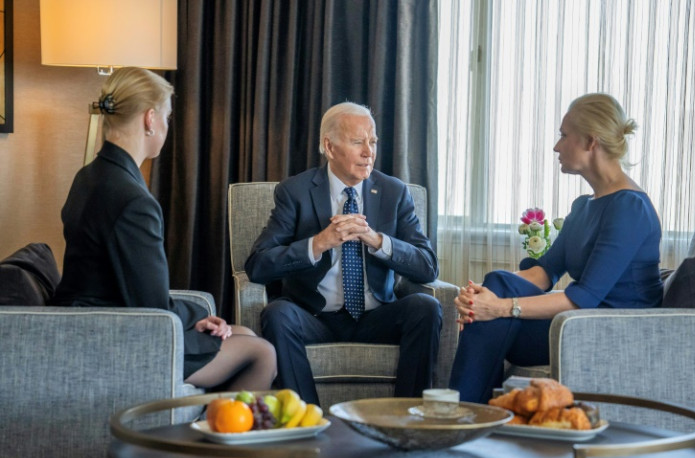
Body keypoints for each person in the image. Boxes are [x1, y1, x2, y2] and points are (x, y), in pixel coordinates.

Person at [51, 67, 276, 392]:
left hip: (94, 324)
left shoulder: (89, 176)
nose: (167, 127)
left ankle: (214, 433)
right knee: (261, 353)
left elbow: (134, 291)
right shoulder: (132, 200)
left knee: (245, 335)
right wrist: (197, 313)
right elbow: (154, 310)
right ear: (150, 119)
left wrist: (195, 316)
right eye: (167, 118)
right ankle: (218, 439)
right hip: (118, 339)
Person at [449, 93, 663, 403]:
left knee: (495, 310)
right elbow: (544, 272)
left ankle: (464, 417)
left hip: (614, 332)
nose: (556, 146)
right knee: (496, 283)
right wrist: (484, 295)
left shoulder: (629, 209)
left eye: (564, 135)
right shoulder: (585, 207)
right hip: (578, 324)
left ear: (591, 142)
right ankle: (472, 417)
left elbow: (584, 299)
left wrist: (500, 306)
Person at [244, 101, 443, 406]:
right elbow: (258, 265)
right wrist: (319, 242)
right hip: (315, 316)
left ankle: (406, 417)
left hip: (377, 315)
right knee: (277, 313)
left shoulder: (394, 192)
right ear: (329, 146)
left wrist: (376, 240)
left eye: (372, 141)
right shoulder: (295, 192)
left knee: (425, 307)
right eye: (357, 142)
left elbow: (428, 266)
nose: (369, 152)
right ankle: (306, 419)